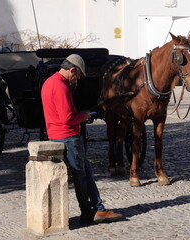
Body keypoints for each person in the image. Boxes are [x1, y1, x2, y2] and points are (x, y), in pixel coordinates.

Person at [41, 54, 123, 224]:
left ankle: (97, 209)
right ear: (72, 70)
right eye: (77, 75)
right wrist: (83, 116)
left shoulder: (49, 82)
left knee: (86, 173)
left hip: (57, 134)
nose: (76, 79)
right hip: (68, 136)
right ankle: (89, 212)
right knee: (82, 176)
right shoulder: (61, 86)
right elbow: (67, 117)